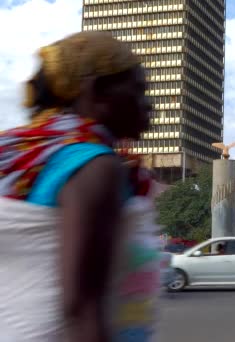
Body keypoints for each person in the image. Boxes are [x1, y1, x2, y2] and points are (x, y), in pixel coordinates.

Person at [0, 31, 160, 341]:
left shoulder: (22, 156)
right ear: (98, 92)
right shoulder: (94, 166)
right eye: (139, 91)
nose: (148, 105)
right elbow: (82, 308)